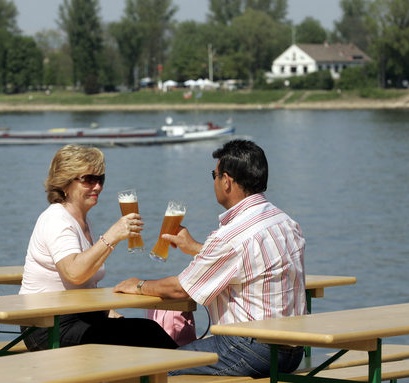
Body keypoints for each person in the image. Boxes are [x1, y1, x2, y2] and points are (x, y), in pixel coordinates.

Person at [114, 139, 306, 377]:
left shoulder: (231, 235)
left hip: (249, 348)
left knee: (149, 368)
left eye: (213, 175)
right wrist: (195, 247)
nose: (213, 181)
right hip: (294, 350)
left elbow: (181, 290)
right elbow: (247, 261)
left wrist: (139, 285)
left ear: (226, 181)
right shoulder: (285, 222)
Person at [19, 144, 177, 351]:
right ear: (65, 183)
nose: (98, 187)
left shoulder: (81, 221)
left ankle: (185, 370)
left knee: (146, 330)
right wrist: (112, 236)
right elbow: (74, 273)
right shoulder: (56, 219)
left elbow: (83, 284)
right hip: (48, 327)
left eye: (101, 179)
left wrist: (107, 311)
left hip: (79, 318)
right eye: (89, 180)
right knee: (145, 334)